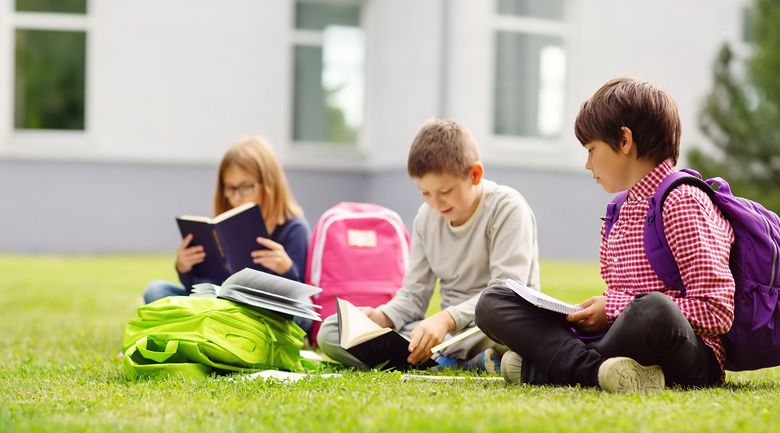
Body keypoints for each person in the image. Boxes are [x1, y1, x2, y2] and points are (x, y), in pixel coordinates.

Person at [475, 77, 736, 392]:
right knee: (494, 301)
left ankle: (549, 368)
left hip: (687, 354)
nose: (587, 164)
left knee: (654, 310)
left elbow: (717, 311)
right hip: (622, 343)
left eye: (591, 149)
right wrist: (601, 311)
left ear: (624, 140)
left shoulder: (683, 201)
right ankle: (598, 371)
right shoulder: (617, 210)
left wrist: (613, 308)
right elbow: (619, 302)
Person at [317, 118, 540, 372]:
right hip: (447, 335)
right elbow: (413, 295)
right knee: (332, 330)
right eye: (425, 193)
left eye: (445, 191)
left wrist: (447, 319)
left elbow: (507, 293)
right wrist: (383, 318)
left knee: (509, 326)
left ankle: (445, 362)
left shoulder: (507, 208)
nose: (436, 203)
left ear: (475, 175)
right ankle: (462, 363)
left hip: (494, 327)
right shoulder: (426, 217)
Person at [142, 136, 312, 332]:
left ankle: (205, 328)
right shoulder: (223, 227)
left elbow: (297, 298)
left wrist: (286, 269)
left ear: (269, 184)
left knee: (304, 311)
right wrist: (185, 269)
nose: (236, 198)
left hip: (263, 314)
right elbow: (200, 290)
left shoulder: (293, 228)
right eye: (230, 188)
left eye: (246, 187)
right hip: (219, 305)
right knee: (156, 290)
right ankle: (218, 328)